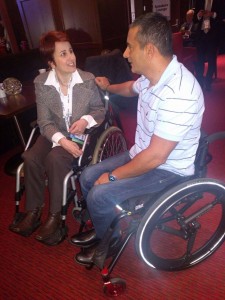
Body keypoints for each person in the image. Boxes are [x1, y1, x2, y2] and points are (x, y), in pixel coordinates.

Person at [70, 12, 205, 266]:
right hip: (142, 153)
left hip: (167, 169)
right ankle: (106, 226)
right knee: (88, 176)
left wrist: (113, 176)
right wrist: (109, 87)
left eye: (130, 47)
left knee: (99, 193)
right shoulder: (152, 77)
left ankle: (109, 240)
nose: (125, 53)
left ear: (150, 50)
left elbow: (156, 157)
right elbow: (132, 89)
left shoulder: (179, 93)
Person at [9, 31, 105, 242]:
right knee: (31, 158)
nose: (71, 57)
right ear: (51, 62)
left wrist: (85, 120)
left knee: (54, 159)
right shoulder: (42, 82)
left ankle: (54, 216)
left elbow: (100, 110)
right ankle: (33, 211)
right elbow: (44, 121)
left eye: (70, 51)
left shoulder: (86, 80)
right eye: (63, 54)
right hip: (53, 133)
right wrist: (61, 140)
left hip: (80, 134)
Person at [193, 0, 225, 91]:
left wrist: (212, 14)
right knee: (200, 60)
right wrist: (199, 15)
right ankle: (200, 82)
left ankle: (208, 82)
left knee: (211, 60)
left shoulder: (219, 2)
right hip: (201, 35)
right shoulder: (199, 2)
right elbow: (195, 19)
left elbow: (222, 15)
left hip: (213, 35)